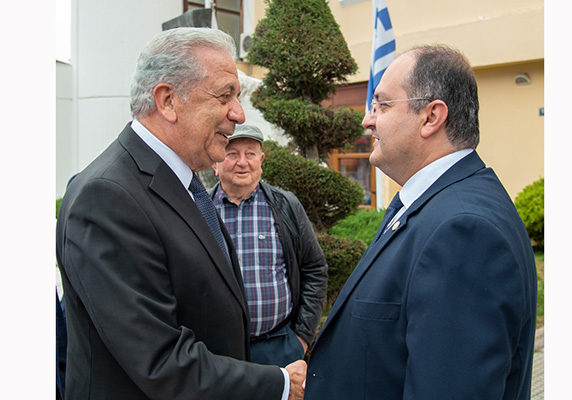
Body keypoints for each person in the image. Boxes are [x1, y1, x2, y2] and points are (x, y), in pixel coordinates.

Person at [56, 27, 306, 400]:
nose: (238, 114)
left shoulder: (182, 184)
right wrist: (281, 384)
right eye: (225, 95)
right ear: (168, 101)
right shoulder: (106, 197)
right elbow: (160, 362)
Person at [305, 45, 537, 399]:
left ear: (431, 117)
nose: (367, 120)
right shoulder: (431, 205)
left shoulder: (464, 232)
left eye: (382, 105)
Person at [208, 125, 328, 367]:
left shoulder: (286, 206)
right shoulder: (199, 210)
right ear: (215, 163)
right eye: (232, 154)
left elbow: (314, 269)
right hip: (217, 353)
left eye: (250, 153)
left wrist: (301, 338)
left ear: (261, 161)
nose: (242, 162)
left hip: (278, 348)